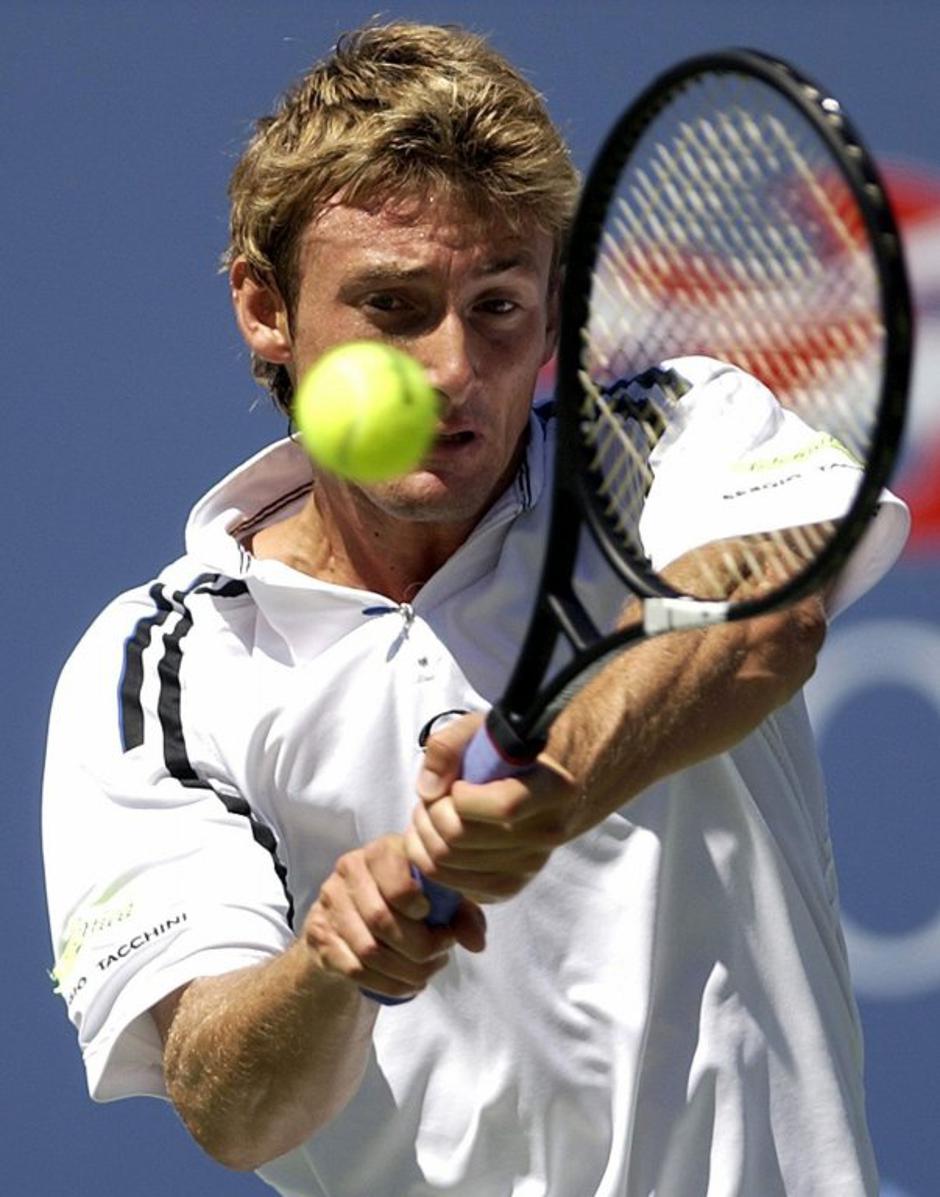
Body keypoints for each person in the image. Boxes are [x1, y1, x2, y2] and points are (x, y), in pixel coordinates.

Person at [43, 21, 909, 1197]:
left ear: (553, 308)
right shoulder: (159, 669)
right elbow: (228, 1102)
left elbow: (761, 623)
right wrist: (337, 961)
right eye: (393, 306)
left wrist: (552, 786)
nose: (453, 366)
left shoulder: (674, 433)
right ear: (265, 308)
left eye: (497, 305)